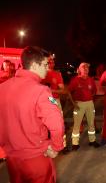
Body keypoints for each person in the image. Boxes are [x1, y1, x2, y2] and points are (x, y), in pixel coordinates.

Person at [0, 46, 65, 183]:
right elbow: (57, 124)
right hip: (36, 159)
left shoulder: (2, 88)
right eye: (45, 64)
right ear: (35, 65)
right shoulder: (41, 91)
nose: (47, 68)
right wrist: (55, 147)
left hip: (13, 160)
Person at [67, 62, 100, 151]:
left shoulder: (91, 80)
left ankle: (92, 140)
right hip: (79, 104)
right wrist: (73, 103)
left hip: (89, 103)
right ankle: (75, 143)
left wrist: (91, 100)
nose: (85, 69)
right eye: (83, 68)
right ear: (80, 70)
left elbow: (94, 91)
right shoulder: (75, 80)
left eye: (87, 68)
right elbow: (69, 91)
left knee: (91, 123)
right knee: (77, 125)